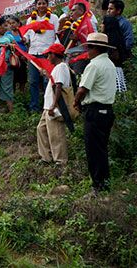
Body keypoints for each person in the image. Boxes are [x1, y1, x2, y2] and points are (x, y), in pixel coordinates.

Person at [74, 33, 117, 193]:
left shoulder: (94, 65)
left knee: (93, 150)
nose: (87, 50)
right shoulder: (109, 64)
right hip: (107, 111)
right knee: (101, 148)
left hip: (95, 110)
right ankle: (104, 183)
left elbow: (82, 89)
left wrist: (76, 102)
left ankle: (98, 185)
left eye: (89, 47)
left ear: (96, 48)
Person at [36, 43, 71, 166]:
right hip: (48, 106)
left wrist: (54, 105)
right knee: (41, 129)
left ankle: (60, 161)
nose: (47, 57)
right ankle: (46, 157)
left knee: (56, 134)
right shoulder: (57, 68)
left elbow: (59, 86)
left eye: (49, 54)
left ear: (54, 55)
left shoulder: (61, 67)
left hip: (54, 106)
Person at [24, 0, 60, 112]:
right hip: (33, 53)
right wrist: (24, 39)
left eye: (43, 3)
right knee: (33, 81)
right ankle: (34, 107)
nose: (41, 6)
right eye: (39, 3)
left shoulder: (53, 18)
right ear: (35, 6)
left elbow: (58, 35)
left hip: (48, 55)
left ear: (47, 4)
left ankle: (48, 106)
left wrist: (54, 51)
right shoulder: (30, 20)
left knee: (47, 81)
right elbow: (27, 36)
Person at [5, 15, 28, 92]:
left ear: (18, 23)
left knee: (22, 76)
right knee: (13, 77)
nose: (12, 25)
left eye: (14, 23)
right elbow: (5, 44)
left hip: (23, 57)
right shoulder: (7, 34)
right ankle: (13, 94)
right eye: (10, 23)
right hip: (13, 57)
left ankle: (22, 94)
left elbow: (28, 44)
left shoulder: (23, 32)